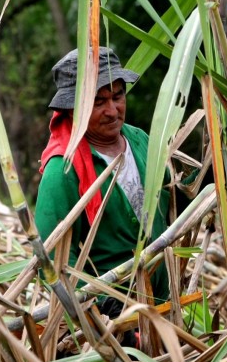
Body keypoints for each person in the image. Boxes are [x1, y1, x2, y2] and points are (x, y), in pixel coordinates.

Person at [35, 47, 170, 302]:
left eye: (117, 97)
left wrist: (216, 169)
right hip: (112, 325)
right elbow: (51, 260)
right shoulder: (62, 170)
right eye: (98, 102)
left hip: (162, 308)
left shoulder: (139, 140)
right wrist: (100, 310)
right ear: (72, 108)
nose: (112, 110)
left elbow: (172, 204)